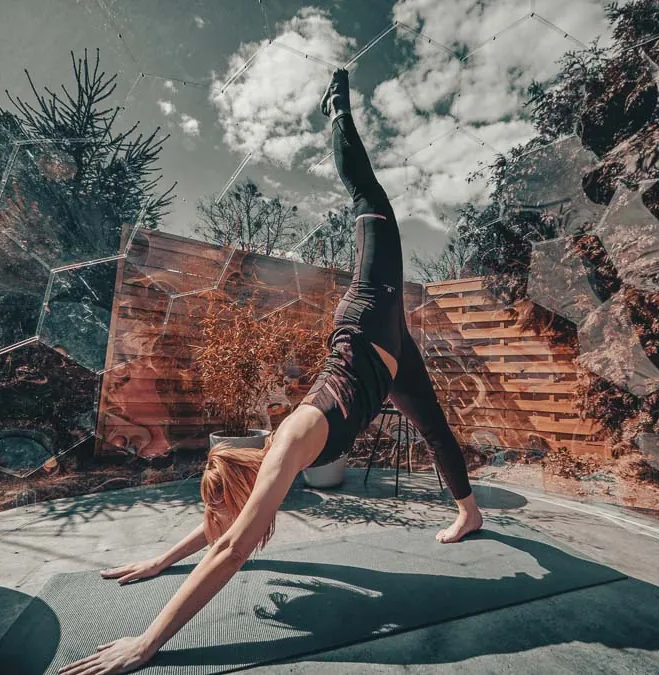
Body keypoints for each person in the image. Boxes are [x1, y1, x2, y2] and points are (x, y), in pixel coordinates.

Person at [60, 69, 483, 675]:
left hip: (369, 314)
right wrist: (161, 560)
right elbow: (225, 527)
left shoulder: (288, 443)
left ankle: (336, 110)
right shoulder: (267, 461)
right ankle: (469, 510)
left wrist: (145, 642)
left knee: (370, 199)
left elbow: (231, 545)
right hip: (391, 365)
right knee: (436, 428)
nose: (243, 519)